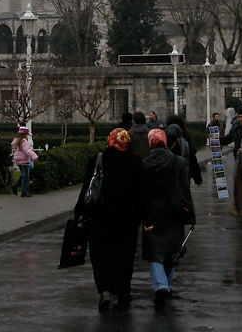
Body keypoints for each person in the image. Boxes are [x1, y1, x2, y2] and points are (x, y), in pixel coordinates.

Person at [74, 128, 143, 311]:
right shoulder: (135, 162)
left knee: (100, 254)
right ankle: (123, 290)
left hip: (100, 217)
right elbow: (142, 192)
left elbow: (88, 188)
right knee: (125, 256)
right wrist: (144, 216)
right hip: (127, 219)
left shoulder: (98, 159)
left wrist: (79, 211)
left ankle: (104, 289)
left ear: (110, 141)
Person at [141, 128, 194, 308]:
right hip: (175, 212)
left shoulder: (145, 164)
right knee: (172, 249)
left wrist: (143, 217)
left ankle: (161, 285)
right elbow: (185, 189)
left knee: (155, 252)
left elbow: (142, 194)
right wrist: (190, 216)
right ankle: (166, 283)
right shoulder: (178, 162)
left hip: (154, 213)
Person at [164, 117, 202, 187]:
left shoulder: (165, 136)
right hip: (184, 170)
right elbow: (192, 156)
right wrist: (197, 178)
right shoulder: (185, 136)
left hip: (169, 171)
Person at [10, 126, 39, 197]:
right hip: (24, 160)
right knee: (26, 177)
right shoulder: (24, 141)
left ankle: (15, 186)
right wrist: (34, 156)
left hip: (19, 160)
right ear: (25, 134)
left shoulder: (17, 141)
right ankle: (24, 192)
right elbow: (27, 151)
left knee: (23, 175)